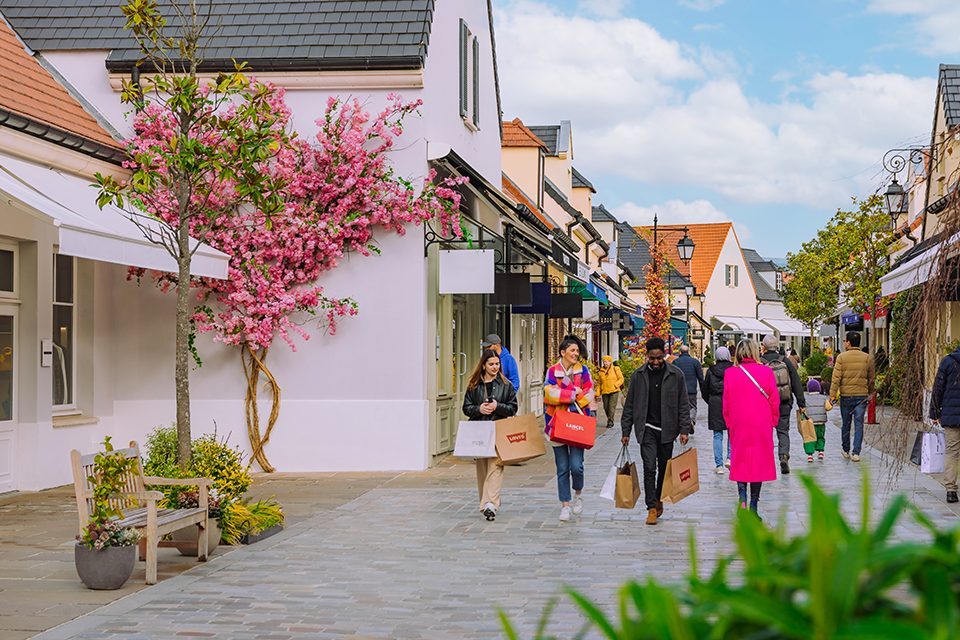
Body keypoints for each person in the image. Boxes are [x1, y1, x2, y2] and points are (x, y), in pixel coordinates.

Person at [621, 337, 693, 525]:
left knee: (663, 468)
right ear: (647, 356)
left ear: (664, 354)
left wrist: (684, 429)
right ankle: (651, 507)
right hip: (646, 429)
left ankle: (659, 498)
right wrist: (626, 431)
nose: (655, 361)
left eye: (659, 358)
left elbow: (683, 404)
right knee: (649, 468)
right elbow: (629, 405)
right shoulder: (638, 376)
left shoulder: (676, 375)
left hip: (668, 430)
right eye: (652, 358)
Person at [722, 339, 780, 516]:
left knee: (740, 462)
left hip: (739, 423)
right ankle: (754, 504)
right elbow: (774, 399)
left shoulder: (730, 373)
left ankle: (742, 501)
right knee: (758, 464)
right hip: (761, 423)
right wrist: (773, 421)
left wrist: (729, 422)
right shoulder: (766, 372)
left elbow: (726, 403)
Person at [543, 335, 595, 522]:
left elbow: (590, 393)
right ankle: (565, 505)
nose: (575, 353)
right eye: (572, 350)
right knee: (562, 467)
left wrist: (571, 397)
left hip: (578, 424)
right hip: (556, 424)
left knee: (576, 466)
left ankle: (578, 494)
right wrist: (572, 394)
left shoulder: (584, 371)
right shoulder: (552, 371)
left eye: (577, 351)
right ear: (563, 352)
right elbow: (548, 393)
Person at [462, 349, 518, 521]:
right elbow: (466, 407)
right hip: (479, 431)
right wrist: (478, 409)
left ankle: (491, 504)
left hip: (499, 430)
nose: (495, 367)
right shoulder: (474, 384)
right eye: (491, 364)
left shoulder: (506, 384)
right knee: (482, 468)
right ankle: (485, 503)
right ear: (484, 365)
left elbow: (513, 407)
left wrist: (497, 407)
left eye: (497, 364)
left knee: (496, 466)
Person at [760, 334, 806, 474]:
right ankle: (783, 456)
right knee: (783, 431)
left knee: (765, 432)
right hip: (784, 402)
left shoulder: (760, 363)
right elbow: (796, 383)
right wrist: (801, 402)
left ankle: (765, 460)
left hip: (765, 403)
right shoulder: (785, 361)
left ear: (764, 347)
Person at [830, 331, 875, 462]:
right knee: (859, 424)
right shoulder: (867, 358)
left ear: (848, 342)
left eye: (845, 341)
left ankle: (845, 449)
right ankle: (856, 452)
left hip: (846, 396)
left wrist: (832, 395)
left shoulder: (841, 358)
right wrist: (870, 393)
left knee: (846, 423)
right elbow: (871, 378)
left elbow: (836, 378)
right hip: (861, 396)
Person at [929, 345, 960, 503]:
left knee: (952, 452)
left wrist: (934, 412)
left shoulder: (947, 361)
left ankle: (951, 490)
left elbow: (938, 389)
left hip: (951, 417)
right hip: (951, 415)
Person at [702, 346, 734, 474]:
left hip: (715, 403)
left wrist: (710, 401)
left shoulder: (711, 371)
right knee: (732, 432)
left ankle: (719, 465)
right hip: (731, 402)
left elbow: (705, 389)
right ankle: (730, 459)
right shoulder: (733, 369)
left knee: (717, 434)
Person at [673, 345, 705, 427]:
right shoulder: (695, 362)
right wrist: (703, 390)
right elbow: (700, 378)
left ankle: (682, 423)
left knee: (680, 407)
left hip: (679, 390)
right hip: (691, 390)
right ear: (688, 351)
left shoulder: (676, 362)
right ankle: (691, 420)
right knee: (692, 406)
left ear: (680, 352)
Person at [802, 378, 828, 462]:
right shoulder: (824, 398)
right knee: (820, 436)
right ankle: (820, 451)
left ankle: (810, 455)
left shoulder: (805, 398)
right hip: (821, 421)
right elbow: (828, 407)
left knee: (810, 437)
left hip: (810, 422)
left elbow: (803, 409)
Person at [596, 355, 625, 429]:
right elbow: (599, 383)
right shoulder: (601, 371)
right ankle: (610, 418)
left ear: (610, 362)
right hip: (605, 391)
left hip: (614, 391)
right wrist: (598, 393)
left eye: (606, 361)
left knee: (611, 407)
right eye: (604, 361)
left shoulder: (616, 369)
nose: (605, 363)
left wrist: (616, 385)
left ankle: (610, 421)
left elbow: (621, 379)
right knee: (606, 407)